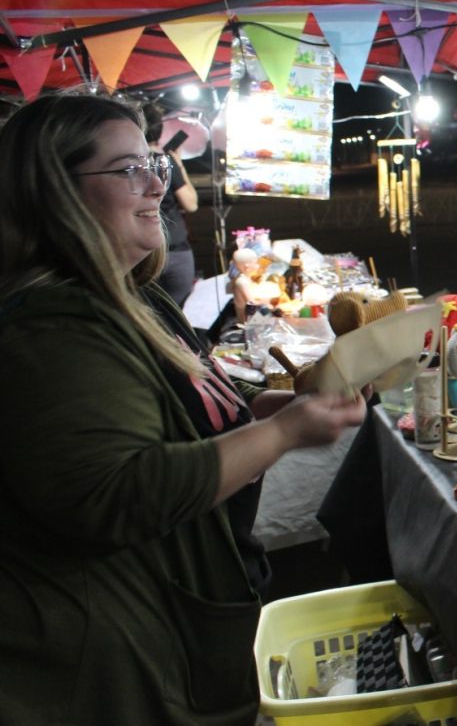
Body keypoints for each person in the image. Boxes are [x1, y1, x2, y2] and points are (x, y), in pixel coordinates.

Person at [0, 94, 367, 723]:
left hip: (176, 620)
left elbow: (191, 400)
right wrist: (282, 432)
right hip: (108, 662)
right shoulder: (51, 330)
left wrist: (275, 403)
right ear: (54, 191)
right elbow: (116, 493)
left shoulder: (136, 297)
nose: (157, 185)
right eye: (129, 170)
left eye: (155, 165)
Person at [143, 102, 199, 307]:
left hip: (142, 252)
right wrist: (179, 164)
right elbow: (191, 204)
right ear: (159, 131)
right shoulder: (164, 162)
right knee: (177, 313)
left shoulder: (124, 165)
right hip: (174, 250)